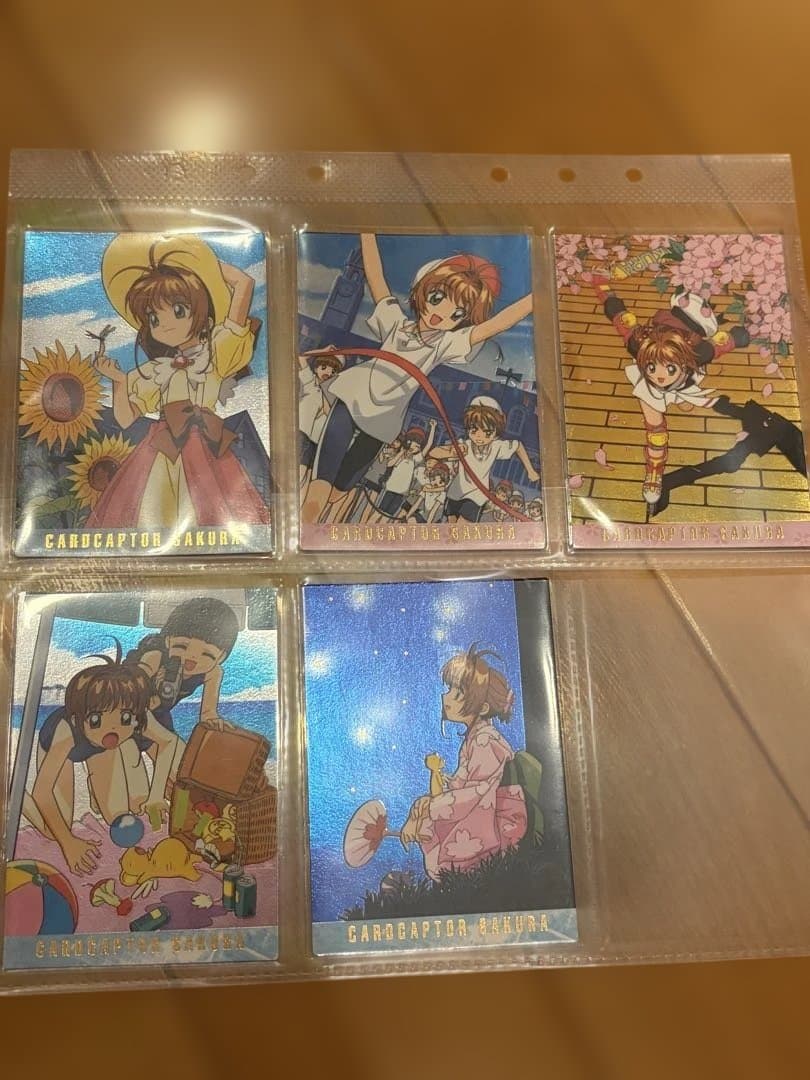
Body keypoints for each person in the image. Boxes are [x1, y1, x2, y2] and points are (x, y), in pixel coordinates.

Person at [301, 234, 533, 523]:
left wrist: (539, 295)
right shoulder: (395, 323)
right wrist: (366, 232)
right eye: (437, 298)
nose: (440, 314)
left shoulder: (445, 344)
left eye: (456, 313)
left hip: (383, 423)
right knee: (320, 484)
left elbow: (496, 324)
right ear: (423, 291)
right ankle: (307, 530)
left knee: (340, 489)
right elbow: (376, 277)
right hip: (350, 401)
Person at [87, 234, 270, 530]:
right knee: (147, 517)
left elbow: (244, 284)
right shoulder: (156, 370)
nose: (165, 324)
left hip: (206, 450)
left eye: (178, 310)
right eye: (153, 318)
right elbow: (125, 418)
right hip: (160, 450)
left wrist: (203, 264)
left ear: (201, 313)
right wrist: (119, 381)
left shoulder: (216, 352)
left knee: (218, 519)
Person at [589, 273, 749, 504]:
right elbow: (617, 312)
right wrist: (600, 283)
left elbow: (724, 343)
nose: (660, 375)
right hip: (650, 388)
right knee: (655, 430)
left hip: (685, 383)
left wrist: (743, 335)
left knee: (684, 404)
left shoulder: (700, 352)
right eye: (653, 365)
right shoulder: (638, 341)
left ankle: (679, 396)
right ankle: (654, 473)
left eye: (669, 368)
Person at [25, 646, 182, 876]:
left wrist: (156, 795)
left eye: (125, 718)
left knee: (115, 816)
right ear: (79, 718)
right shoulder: (65, 732)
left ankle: (94, 787)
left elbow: (168, 742)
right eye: (97, 719)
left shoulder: (137, 716)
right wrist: (68, 843)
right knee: (53, 830)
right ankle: (13, 796)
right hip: (66, 748)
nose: (113, 729)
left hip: (101, 750)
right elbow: (42, 792)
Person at [399, 645, 527, 881]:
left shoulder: (484, 740)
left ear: (483, 708)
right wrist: (430, 793)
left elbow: (478, 791)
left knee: (430, 815)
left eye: (457, 694)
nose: (446, 698)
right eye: (449, 690)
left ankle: (458, 869)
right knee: (425, 808)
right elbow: (459, 786)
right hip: (482, 808)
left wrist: (432, 807)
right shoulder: (475, 738)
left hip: (499, 824)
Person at [127, 596, 240, 733]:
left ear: (221, 657)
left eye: (207, 654)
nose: (192, 657)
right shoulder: (155, 657)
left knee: (174, 745)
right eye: (182, 646)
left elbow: (208, 714)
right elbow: (129, 691)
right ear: (168, 640)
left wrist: (212, 721)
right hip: (124, 711)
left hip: (160, 713)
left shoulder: (213, 673)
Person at [429, 396, 539, 522]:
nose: (479, 437)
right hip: (455, 493)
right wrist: (452, 451)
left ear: (496, 432)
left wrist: (530, 470)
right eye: (474, 430)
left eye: (487, 432)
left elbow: (518, 446)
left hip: (477, 496)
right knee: (451, 527)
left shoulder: (496, 447)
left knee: (462, 528)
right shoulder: (464, 445)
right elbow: (434, 452)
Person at [298, 351, 343, 487]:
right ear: (316, 367)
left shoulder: (330, 395)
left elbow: (330, 416)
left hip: (314, 443)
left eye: (333, 371)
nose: (328, 372)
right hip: (299, 433)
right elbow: (301, 357)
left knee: (305, 479)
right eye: (324, 367)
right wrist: (324, 350)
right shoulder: (310, 382)